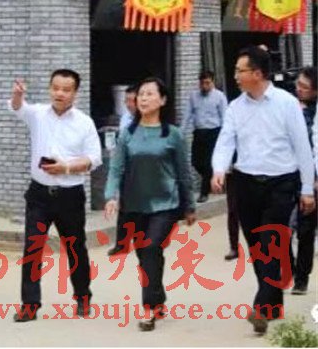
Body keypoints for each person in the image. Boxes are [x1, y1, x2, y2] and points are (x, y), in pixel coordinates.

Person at [211, 46, 315, 335]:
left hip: (281, 183)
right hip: (245, 183)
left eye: (240, 71)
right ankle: (273, 302)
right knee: (257, 248)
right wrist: (219, 169)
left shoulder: (286, 103)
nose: (235, 76)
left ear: (257, 73)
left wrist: (307, 188)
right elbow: (226, 141)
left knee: (270, 243)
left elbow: (302, 147)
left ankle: (260, 306)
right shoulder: (235, 107)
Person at [9, 69, 102, 322]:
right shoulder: (38, 114)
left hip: (70, 195)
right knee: (32, 248)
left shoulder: (84, 122)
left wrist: (67, 167)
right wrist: (17, 95)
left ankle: (82, 296)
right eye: (55, 88)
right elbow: (18, 108)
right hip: (39, 194)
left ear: (75, 93)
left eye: (66, 89)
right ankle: (30, 305)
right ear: (50, 88)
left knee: (75, 247)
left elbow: (94, 158)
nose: (59, 93)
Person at [104, 77, 196, 332]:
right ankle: (158, 298)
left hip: (166, 204)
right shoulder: (127, 134)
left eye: (149, 94)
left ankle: (148, 308)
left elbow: (184, 173)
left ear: (162, 100)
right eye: (141, 94)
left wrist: (189, 206)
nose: (143, 98)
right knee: (146, 255)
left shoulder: (173, 134)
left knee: (151, 247)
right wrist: (111, 196)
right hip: (134, 205)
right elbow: (116, 169)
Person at [289, 67, 317, 295]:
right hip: (287, 175)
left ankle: (301, 278)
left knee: (305, 230)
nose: (298, 89)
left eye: (304, 87)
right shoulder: (288, 106)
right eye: (297, 84)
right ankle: (288, 268)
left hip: (311, 179)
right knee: (281, 226)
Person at [181, 71, 227, 204]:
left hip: (214, 132)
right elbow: (187, 115)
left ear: (213, 82)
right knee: (196, 162)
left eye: (208, 83)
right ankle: (214, 178)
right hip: (199, 132)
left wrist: (224, 136)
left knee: (207, 163)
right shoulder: (194, 96)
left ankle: (204, 192)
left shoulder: (219, 97)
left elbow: (224, 117)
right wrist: (181, 132)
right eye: (202, 83)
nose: (205, 86)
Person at [108, 84, 138, 257]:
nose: (127, 104)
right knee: (125, 207)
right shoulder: (125, 118)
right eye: (126, 100)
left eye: (130, 100)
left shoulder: (148, 119)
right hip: (127, 167)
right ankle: (122, 244)